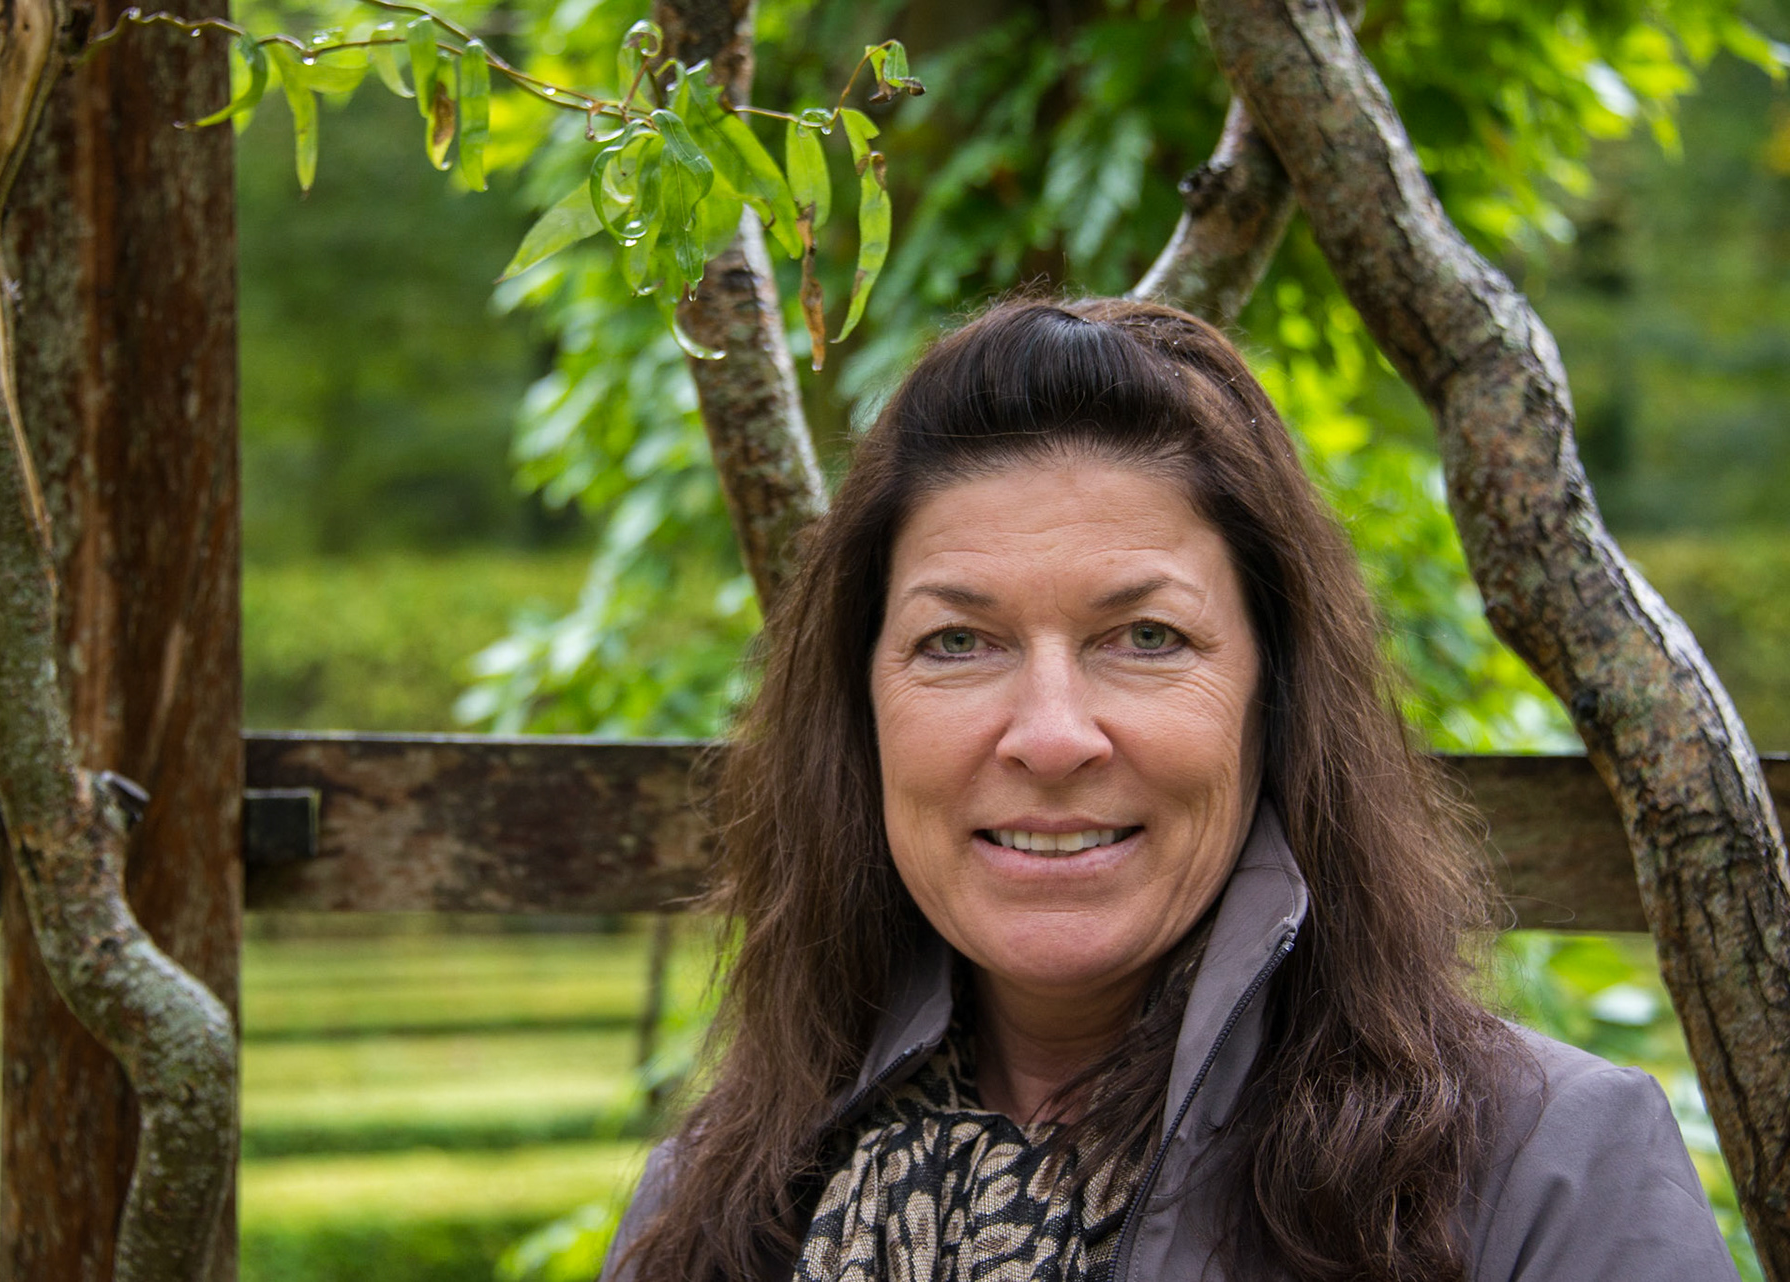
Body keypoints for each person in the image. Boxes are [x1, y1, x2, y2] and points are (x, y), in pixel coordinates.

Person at [601, 298, 1736, 1282]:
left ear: (1273, 700)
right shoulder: (712, 1210)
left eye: (1146, 636)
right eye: (958, 641)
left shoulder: (1546, 1177)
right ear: (861, 714)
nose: (1051, 736)